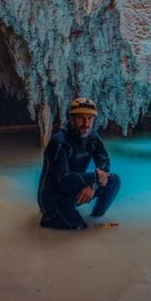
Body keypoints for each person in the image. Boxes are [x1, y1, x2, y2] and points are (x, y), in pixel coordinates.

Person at [37, 97, 121, 229]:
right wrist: (95, 177)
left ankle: (96, 216)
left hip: (75, 188)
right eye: (81, 118)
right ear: (71, 119)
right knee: (80, 227)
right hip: (55, 196)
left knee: (113, 181)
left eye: (90, 118)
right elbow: (63, 179)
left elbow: (104, 161)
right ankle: (51, 215)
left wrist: (93, 185)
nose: (86, 123)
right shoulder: (59, 142)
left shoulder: (92, 137)